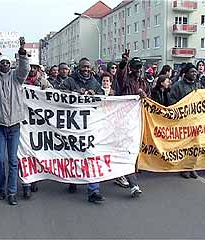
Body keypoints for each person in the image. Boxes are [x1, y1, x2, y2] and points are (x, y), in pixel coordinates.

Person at [0, 37, 30, 206]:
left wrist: (22, 51)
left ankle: (12, 192)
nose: (5, 65)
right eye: (2, 63)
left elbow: (24, 69)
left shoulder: (17, 79)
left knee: (13, 160)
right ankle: (1, 187)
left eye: (7, 63)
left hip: (15, 126)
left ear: (11, 65)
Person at [60, 57, 105, 204]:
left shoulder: (95, 83)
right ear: (79, 68)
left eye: (87, 67)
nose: (86, 69)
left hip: (90, 126)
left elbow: (103, 98)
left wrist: (95, 94)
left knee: (91, 156)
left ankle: (93, 190)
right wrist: (75, 93)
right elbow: (59, 94)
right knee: (73, 155)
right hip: (72, 126)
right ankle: (73, 180)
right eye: (83, 67)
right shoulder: (70, 81)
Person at [114, 49, 148, 197]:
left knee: (131, 149)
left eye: (140, 67)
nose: (139, 70)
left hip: (135, 120)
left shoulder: (142, 82)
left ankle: (122, 172)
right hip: (122, 120)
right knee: (124, 149)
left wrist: (144, 95)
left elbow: (147, 97)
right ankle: (132, 183)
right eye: (136, 67)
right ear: (131, 68)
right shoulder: (125, 79)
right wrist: (124, 62)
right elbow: (120, 73)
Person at [169, 63, 203, 179]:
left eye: (195, 72)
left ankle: (192, 167)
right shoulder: (177, 86)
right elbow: (172, 102)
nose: (194, 74)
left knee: (196, 145)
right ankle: (183, 168)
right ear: (186, 73)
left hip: (195, 120)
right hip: (183, 121)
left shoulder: (198, 85)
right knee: (184, 146)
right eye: (192, 72)